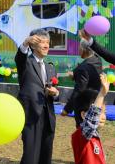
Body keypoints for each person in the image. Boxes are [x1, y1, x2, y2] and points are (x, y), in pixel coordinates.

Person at [15, 29, 59, 164]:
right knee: (31, 156)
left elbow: (55, 92)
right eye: (42, 42)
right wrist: (25, 43)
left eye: (48, 42)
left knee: (45, 157)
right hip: (31, 117)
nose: (47, 46)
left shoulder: (50, 68)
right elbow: (19, 57)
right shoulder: (26, 63)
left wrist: (56, 93)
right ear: (33, 45)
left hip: (48, 117)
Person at [62, 40, 102, 127]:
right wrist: (76, 74)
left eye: (79, 48)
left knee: (83, 133)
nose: (78, 50)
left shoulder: (83, 68)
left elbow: (79, 90)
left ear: (84, 49)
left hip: (83, 107)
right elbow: (89, 74)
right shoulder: (98, 61)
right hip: (96, 103)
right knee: (93, 131)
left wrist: (67, 109)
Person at [71, 74, 109, 164]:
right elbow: (91, 121)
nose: (103, 116)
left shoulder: (94, 136)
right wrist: (101, 94)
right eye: (100, 112)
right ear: (84, 115)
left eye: (105, 112)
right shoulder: (82, 135)